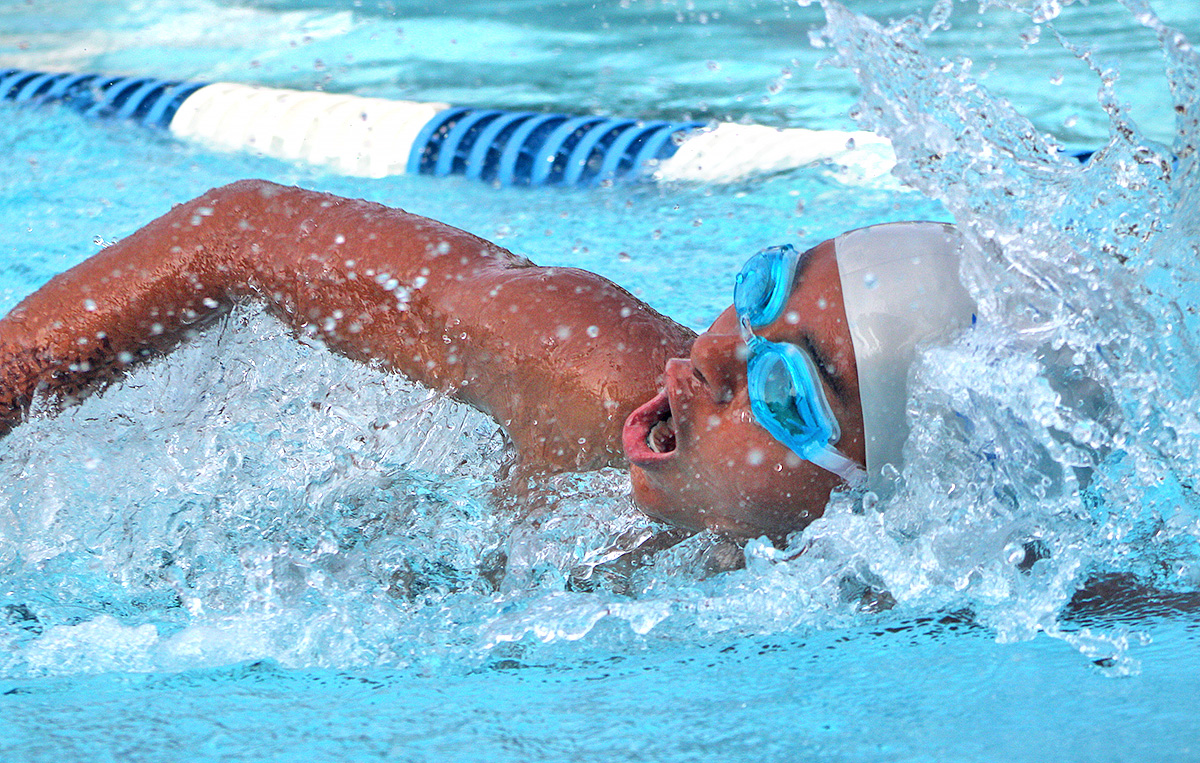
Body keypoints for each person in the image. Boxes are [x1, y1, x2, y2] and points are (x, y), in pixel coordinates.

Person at [0, 179, 974, 545]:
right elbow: (242, 231)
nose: (716, 353)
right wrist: (16, 376)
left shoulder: (946, 589)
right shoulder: (586, 369)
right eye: (763, 286)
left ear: (877, 484)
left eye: (788, 387)